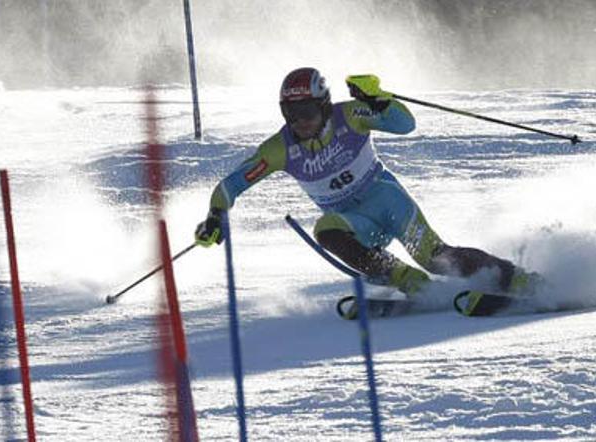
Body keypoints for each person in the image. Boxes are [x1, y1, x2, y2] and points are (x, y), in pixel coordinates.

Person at [195, 67, 530, 300]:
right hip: (354, 222)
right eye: (291, 114)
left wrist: (377, 99)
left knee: (434, 258)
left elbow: (405, 125)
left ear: (324, 104)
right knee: (325, 229)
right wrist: (215, 216)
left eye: (308, 111)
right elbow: (230, 186)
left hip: (387, 200)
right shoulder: (280, 148)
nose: (301, 122)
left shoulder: (351, 116)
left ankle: (516, 278)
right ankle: (405, 279)